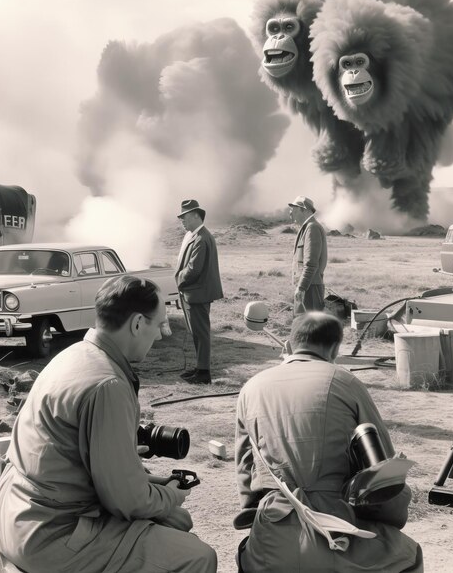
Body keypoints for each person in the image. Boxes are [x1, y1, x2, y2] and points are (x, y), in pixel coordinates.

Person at [0, 275, 217, 573]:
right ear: (137, 324)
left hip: (18, 513)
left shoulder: (74, 354)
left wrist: (149, 483)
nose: (162, 335)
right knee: (198, 556)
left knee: (178, 520)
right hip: (51, 535)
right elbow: (127, 500)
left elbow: (80, 465)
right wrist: (172, 493)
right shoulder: (108, 384)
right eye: (159, 324)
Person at [235, 312, 423, 572]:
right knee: (409, 556)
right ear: (335, 349)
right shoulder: (345, 381)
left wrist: (259, 522)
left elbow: (245, 471)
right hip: (338, 529)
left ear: (288, 347)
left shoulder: (250, 388)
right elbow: (383, 475)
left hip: (273, 532)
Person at [175, 199, 223, 384]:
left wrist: (178, 280)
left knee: (201, 333)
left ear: (196, 215)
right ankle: (200, 368)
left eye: (184, 216)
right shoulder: (197, 236)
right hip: (196, 293)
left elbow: (194, 269)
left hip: (198, 293)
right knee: (198, 332)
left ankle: (203, 373)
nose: (182, 220)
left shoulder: (201, 238)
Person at [288, 195, 328, 315]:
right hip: (309, 287)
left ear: (303, 209)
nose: (290, 213)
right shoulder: (308, 227)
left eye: (293, 209)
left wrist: (301, 287)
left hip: (310, 288)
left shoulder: (312, 228)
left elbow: (311, 264)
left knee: (310, 328)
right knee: (304, 326)